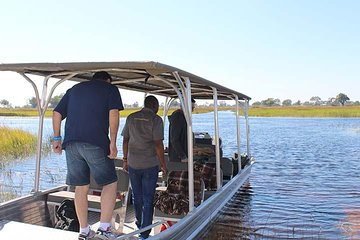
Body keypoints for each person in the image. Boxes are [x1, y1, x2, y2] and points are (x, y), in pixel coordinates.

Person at [52, 71, 124, 240]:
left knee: (81, 187)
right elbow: (114, 114)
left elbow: (56, 114)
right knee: (110, 183)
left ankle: (84, 230)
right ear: (108, 80)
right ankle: (105, 229)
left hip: (71, 144)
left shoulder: (74, 89)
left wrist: (57, 138)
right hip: (95, 142)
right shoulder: (110, 88)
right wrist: (113, 142)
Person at [121, 95, 166, 239]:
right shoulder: (156, 120)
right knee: (148, 198)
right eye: (157, 106)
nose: (158, 109)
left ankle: (140, 223)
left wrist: (125, 160)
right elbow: (158, 144)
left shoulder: (131, 117)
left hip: (133, 163)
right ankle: (145, 231)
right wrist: (163, 165)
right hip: (149, 164)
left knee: (137, 196)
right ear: (153, 105)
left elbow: (125, 140)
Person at [168, 97, 196, 162]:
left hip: (183, 156)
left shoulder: (184, 117)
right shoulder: (177, 117)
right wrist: (183, 156)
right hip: (178, 159)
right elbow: (174, 139)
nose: (192, 110)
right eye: (192, 108)